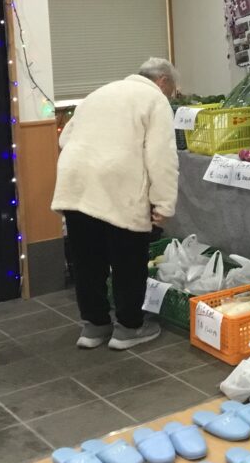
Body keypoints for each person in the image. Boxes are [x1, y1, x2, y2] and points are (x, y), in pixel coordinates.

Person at [52, 57, 180, 351]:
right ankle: (129, 328)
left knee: (87, 260)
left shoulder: (99, 92)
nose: (171, 96)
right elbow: (162, 157)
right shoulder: (154, 100)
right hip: (118, 184)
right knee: (127, 260)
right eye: (172, 90)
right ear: (162, 81)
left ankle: (94, 326)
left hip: (76, 181)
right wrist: (163, 204)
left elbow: (65, 138)